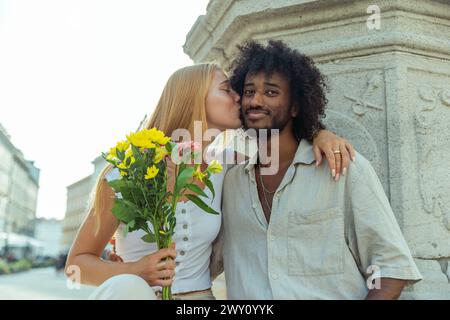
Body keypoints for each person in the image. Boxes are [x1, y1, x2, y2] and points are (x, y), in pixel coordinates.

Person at [65, 62, 354, 300]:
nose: (240, 98)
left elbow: (282, 148)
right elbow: (77, 264)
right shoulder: (125, 174)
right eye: (227, 89)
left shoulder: (229, 164)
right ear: (194, 97)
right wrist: (135, 270)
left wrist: (318, 134)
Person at [219, 40, 423, 300]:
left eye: (271, 92)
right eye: (248, 92)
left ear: (295, 106)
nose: (255, 101)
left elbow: (392, 269)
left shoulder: (343, 167)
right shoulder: (230, 181)